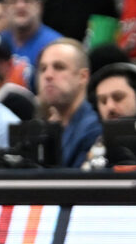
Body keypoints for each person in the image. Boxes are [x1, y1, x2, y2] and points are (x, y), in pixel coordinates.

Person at [36, 39, 102, 167]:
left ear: (83, 77)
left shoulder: (93, 129)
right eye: (43, 69)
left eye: (59, 67)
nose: (48, 75)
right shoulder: (47, 127)